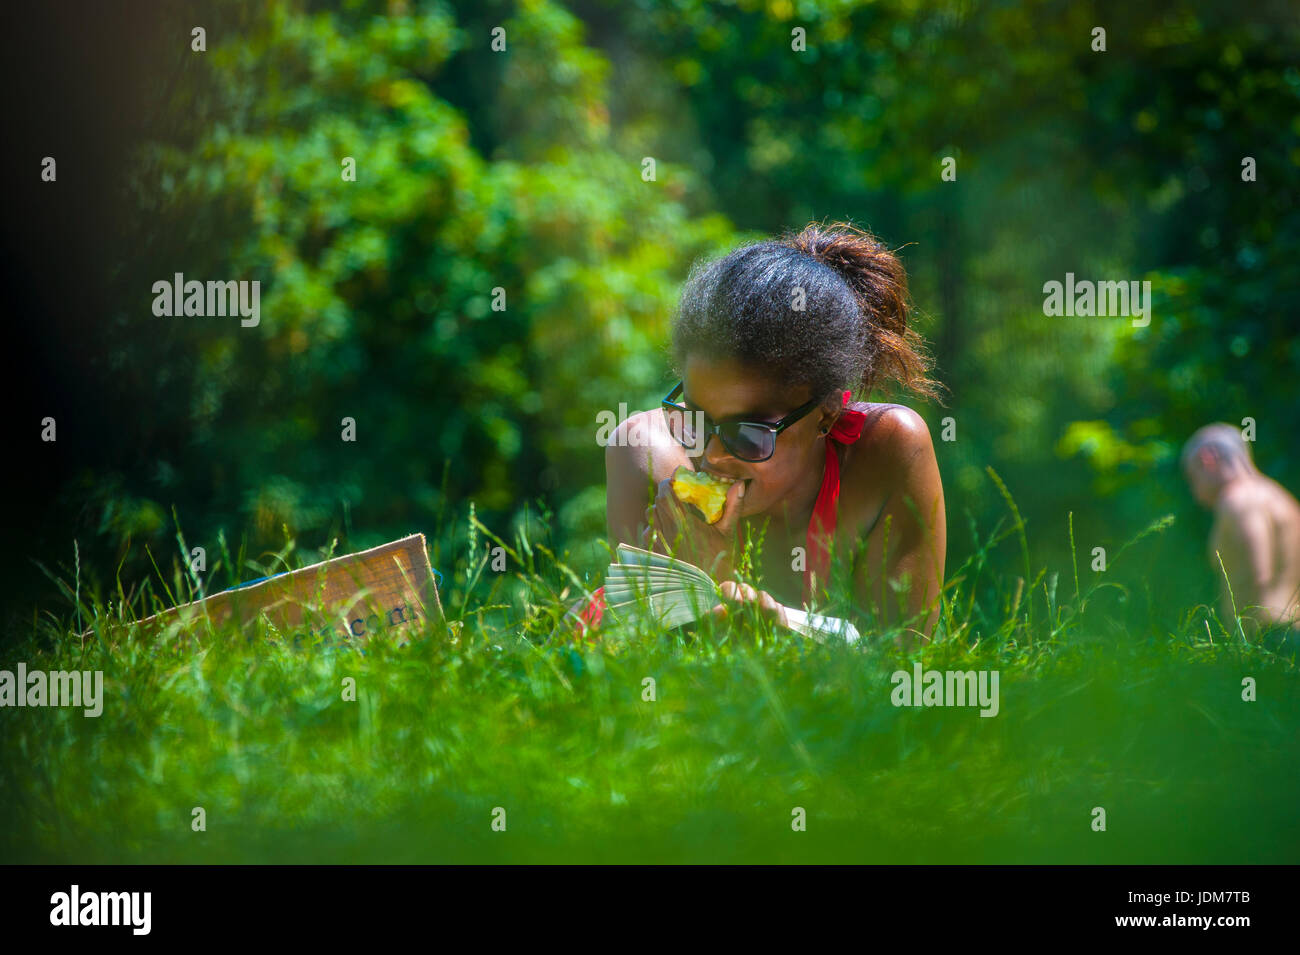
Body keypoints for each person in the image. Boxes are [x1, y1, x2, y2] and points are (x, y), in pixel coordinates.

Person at [565, 220, 947, 648]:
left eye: (748, 433)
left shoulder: (886, 451)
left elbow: (901, 659)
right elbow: (661, 668)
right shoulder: (644, 452)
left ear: (827, 411)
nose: (710, 455)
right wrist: (707, 589)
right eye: (694, 418)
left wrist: (769, 617)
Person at [1181, 423, 1300, 640]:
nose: (1195, 493)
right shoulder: (1282, 498)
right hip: (1292, 637)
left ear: (1208, 459)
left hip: (1268, 639)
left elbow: (1256, 575)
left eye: (1192, 478)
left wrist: (1243, 650)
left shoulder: (1236, 501)